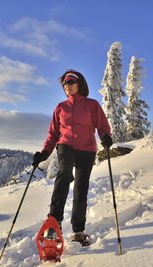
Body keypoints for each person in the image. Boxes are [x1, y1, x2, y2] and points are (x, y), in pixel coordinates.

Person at [32, 70, 113, 245]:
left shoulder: (92, 105)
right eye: (64, 83)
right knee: (63, 175)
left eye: (70, 81)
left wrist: (106, 136)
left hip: (87, 149)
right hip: (66, 145)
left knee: (81, 188)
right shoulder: (60, 107)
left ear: (79, 83)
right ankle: (54, 223)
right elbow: (53, 133)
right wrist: (44, 153)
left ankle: (78, 231)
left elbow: (102, 125)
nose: (67, 85)